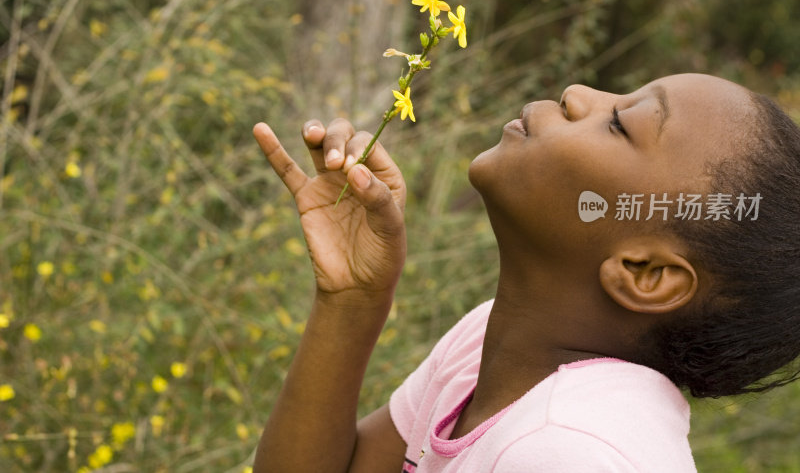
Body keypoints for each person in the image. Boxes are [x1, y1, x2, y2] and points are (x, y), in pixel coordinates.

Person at [250, 73, 800, 472]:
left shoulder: (567, 451)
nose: (577, 93)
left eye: (620, 123)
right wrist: (353, 298)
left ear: (646, 273)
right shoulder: (485, 347)